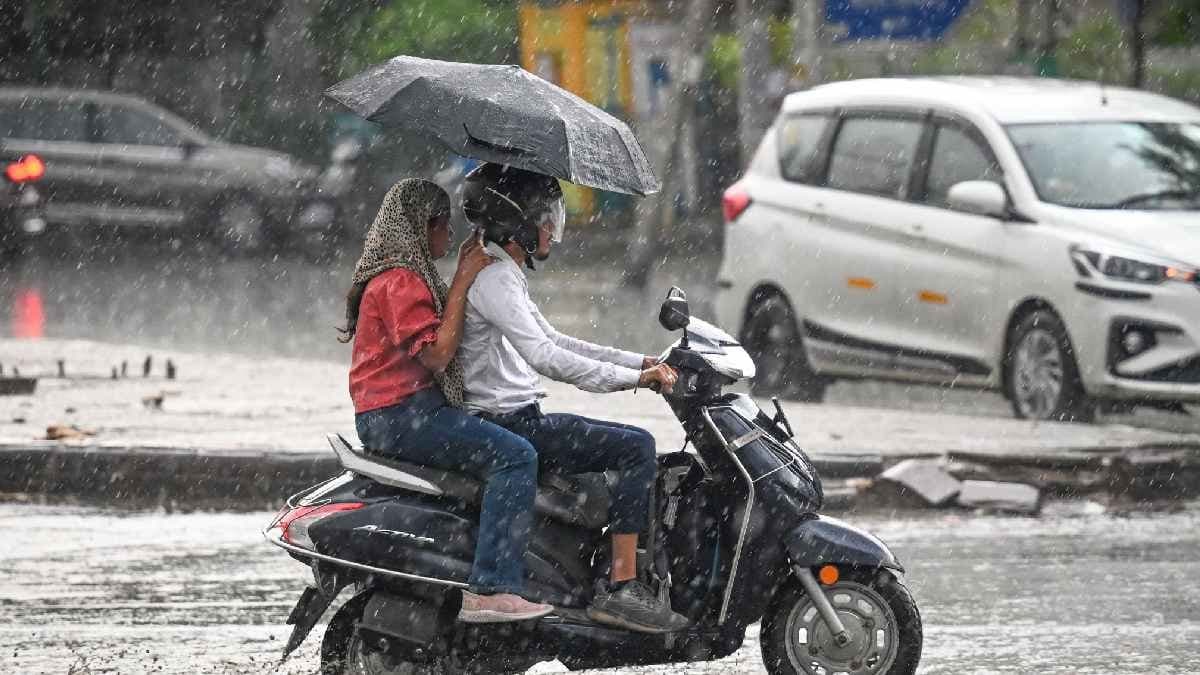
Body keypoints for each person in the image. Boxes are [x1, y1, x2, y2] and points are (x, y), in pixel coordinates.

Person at [458, 163, 690, 634]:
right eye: (545, 217)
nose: (552, 228)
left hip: (517, 418)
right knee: (636, 447)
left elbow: (560, 340)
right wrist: (633, 381)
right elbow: (546, 357)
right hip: (511, 424)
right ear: (517, 220)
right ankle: (622, 588)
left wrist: (638, 362)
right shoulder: (496, 280)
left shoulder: (503, 272)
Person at [340, 177, 553, 623]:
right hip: (399, 415)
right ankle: (492, 588)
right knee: (514, 457)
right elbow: (437, 355)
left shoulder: (406, 275)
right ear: (420, 227)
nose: (450, 237)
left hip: (405, 411)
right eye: (441, 226)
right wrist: (461, 281)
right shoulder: (400, 281)